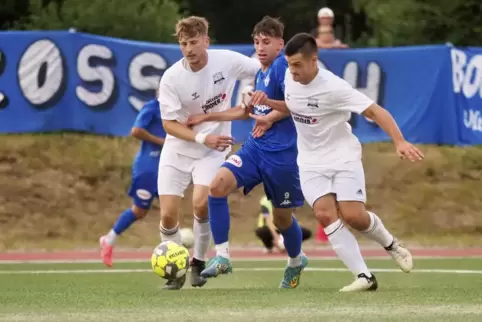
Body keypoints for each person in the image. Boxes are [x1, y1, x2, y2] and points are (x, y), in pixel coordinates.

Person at [253, 33, 424, 292]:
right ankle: (364, 277)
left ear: (314, 61)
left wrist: (399, 142)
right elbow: (293, 105)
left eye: (298, 65)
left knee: (354, 216)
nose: (292, 71)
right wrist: (269, 109)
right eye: (289, 64)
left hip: (343, 156)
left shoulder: (334, 87)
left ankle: (391, 244)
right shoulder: (289, 76)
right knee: (324, 213)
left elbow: (375, 111)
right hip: (310, 161)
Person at [187, 16, 308, 289]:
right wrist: (207, 117)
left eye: (267, 42)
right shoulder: (260, 72)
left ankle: (295, 261)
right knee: (217, 186)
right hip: (255, 148)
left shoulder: (283, 68)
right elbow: (249, 112)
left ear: (281, 43)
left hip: (282, 155)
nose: (260, 47)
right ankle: (223, 257)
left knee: (281, 219)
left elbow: (295, 104)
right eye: (256, 42)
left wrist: (269, 118)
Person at [156, 16, 260, 290]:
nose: (188, 49)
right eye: (182, 43)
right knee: (168, 216)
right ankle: (175, 269)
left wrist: (249, 92)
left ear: (206, 41)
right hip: (178, 150)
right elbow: (169, 124)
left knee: (201, 203)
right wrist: (203, 136)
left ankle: (197, 262)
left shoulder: (226, 60)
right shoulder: (172, 78)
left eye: (192, 42)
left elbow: (259, 68)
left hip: (212, 150)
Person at [99, 96, 165, 267]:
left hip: (166, 166)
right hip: (148, 167)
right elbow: (136, 131)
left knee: (170, 208)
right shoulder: (152, 107)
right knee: (140, 210)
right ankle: (109, 239)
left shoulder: (178, 109)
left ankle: (174, 250)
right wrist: (162, 142)